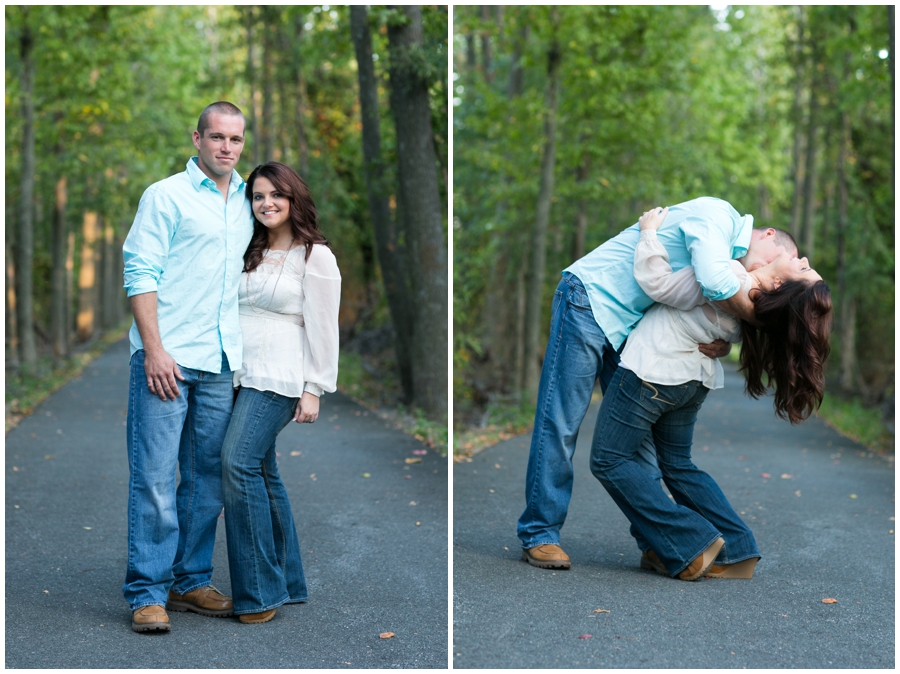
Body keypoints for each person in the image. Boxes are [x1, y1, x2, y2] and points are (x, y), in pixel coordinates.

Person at [517, 196, 798, 570]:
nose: (758, 273)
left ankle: (657, 541)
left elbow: (704, 304)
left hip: (630, 327)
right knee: (562, 422)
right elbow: (714, 284)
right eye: (764, 262)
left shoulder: (733, 259)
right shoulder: (718, 217)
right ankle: (540, 533)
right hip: (589, 299)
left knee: (639, 445)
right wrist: (763, 320)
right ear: (765, 235)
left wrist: (726, 342)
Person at [589, 207, 832, 580]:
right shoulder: (752, 309)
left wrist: (649, 234)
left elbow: (659, 285)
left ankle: (691, 542)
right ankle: (737, 548)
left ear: (782, 286)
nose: (802, 258)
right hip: (692, 383)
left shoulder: (727, 276)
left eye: (802, 268)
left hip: (652, 371)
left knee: (608, 458)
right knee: (678, 465)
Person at [122, 102, 253, 633]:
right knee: (154, 478)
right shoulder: (165, 196)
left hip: (221, 363)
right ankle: (147, 592)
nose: (226, 147)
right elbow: (140, 271)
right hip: (167, 361)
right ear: (196, 138)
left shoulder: (251, 199)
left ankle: (189, 580)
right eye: (217, 137)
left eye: (236, 140)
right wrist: (154, 348)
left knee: (206, 480)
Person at [221, 161, 340, 624]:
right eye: (257, 196)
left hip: (280, 375)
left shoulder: (315, 255)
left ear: (294, 199)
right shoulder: (247, 249)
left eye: (276, 195)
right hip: (237, 372)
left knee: (237, 462)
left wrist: (314, 389)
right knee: (263, 473)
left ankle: (258, 593)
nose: (266, 203)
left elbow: (324, 328)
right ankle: (287, 581)